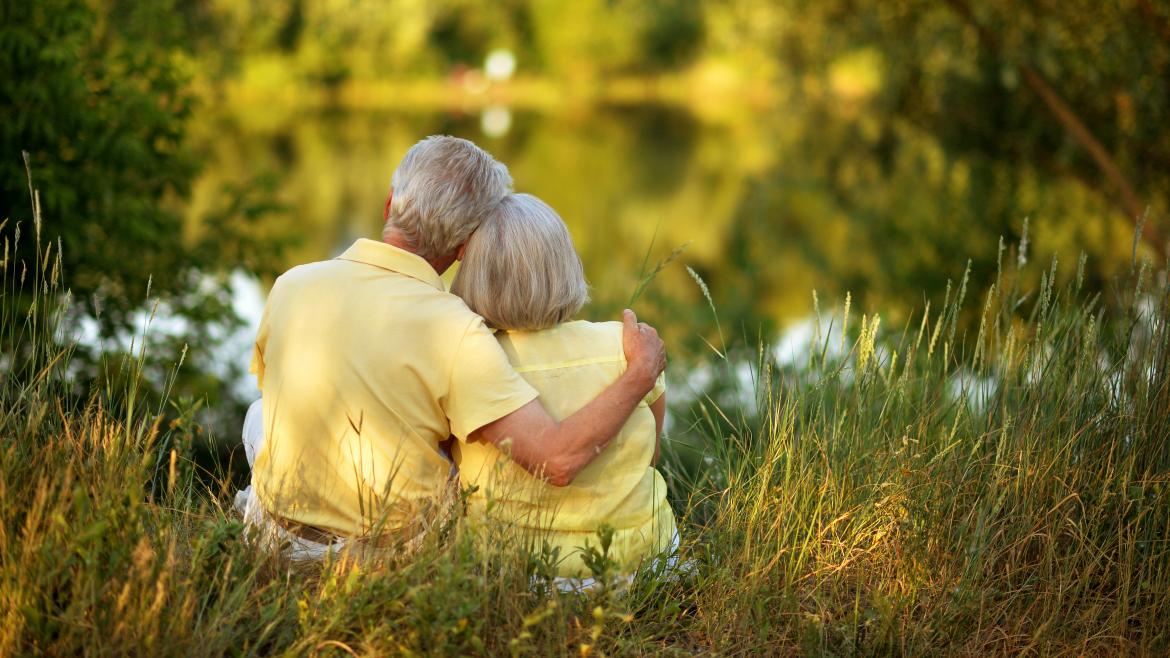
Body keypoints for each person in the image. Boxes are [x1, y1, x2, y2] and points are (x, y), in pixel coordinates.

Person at [239, 136, 666, 559]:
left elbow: (276, 391)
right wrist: (639, 375)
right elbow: (555, 460)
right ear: (465, 247)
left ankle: (261, 524)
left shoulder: (290, 285)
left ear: (389, 205)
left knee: (260, 413)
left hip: (281, 537)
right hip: (391, 555)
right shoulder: (457, 328)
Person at [450, 193, 677, 587]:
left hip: (514, 572)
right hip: (645, 565)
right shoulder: (629, 347)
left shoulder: (470, 360)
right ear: (565, 267)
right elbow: (651, 456)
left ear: (475, 274)